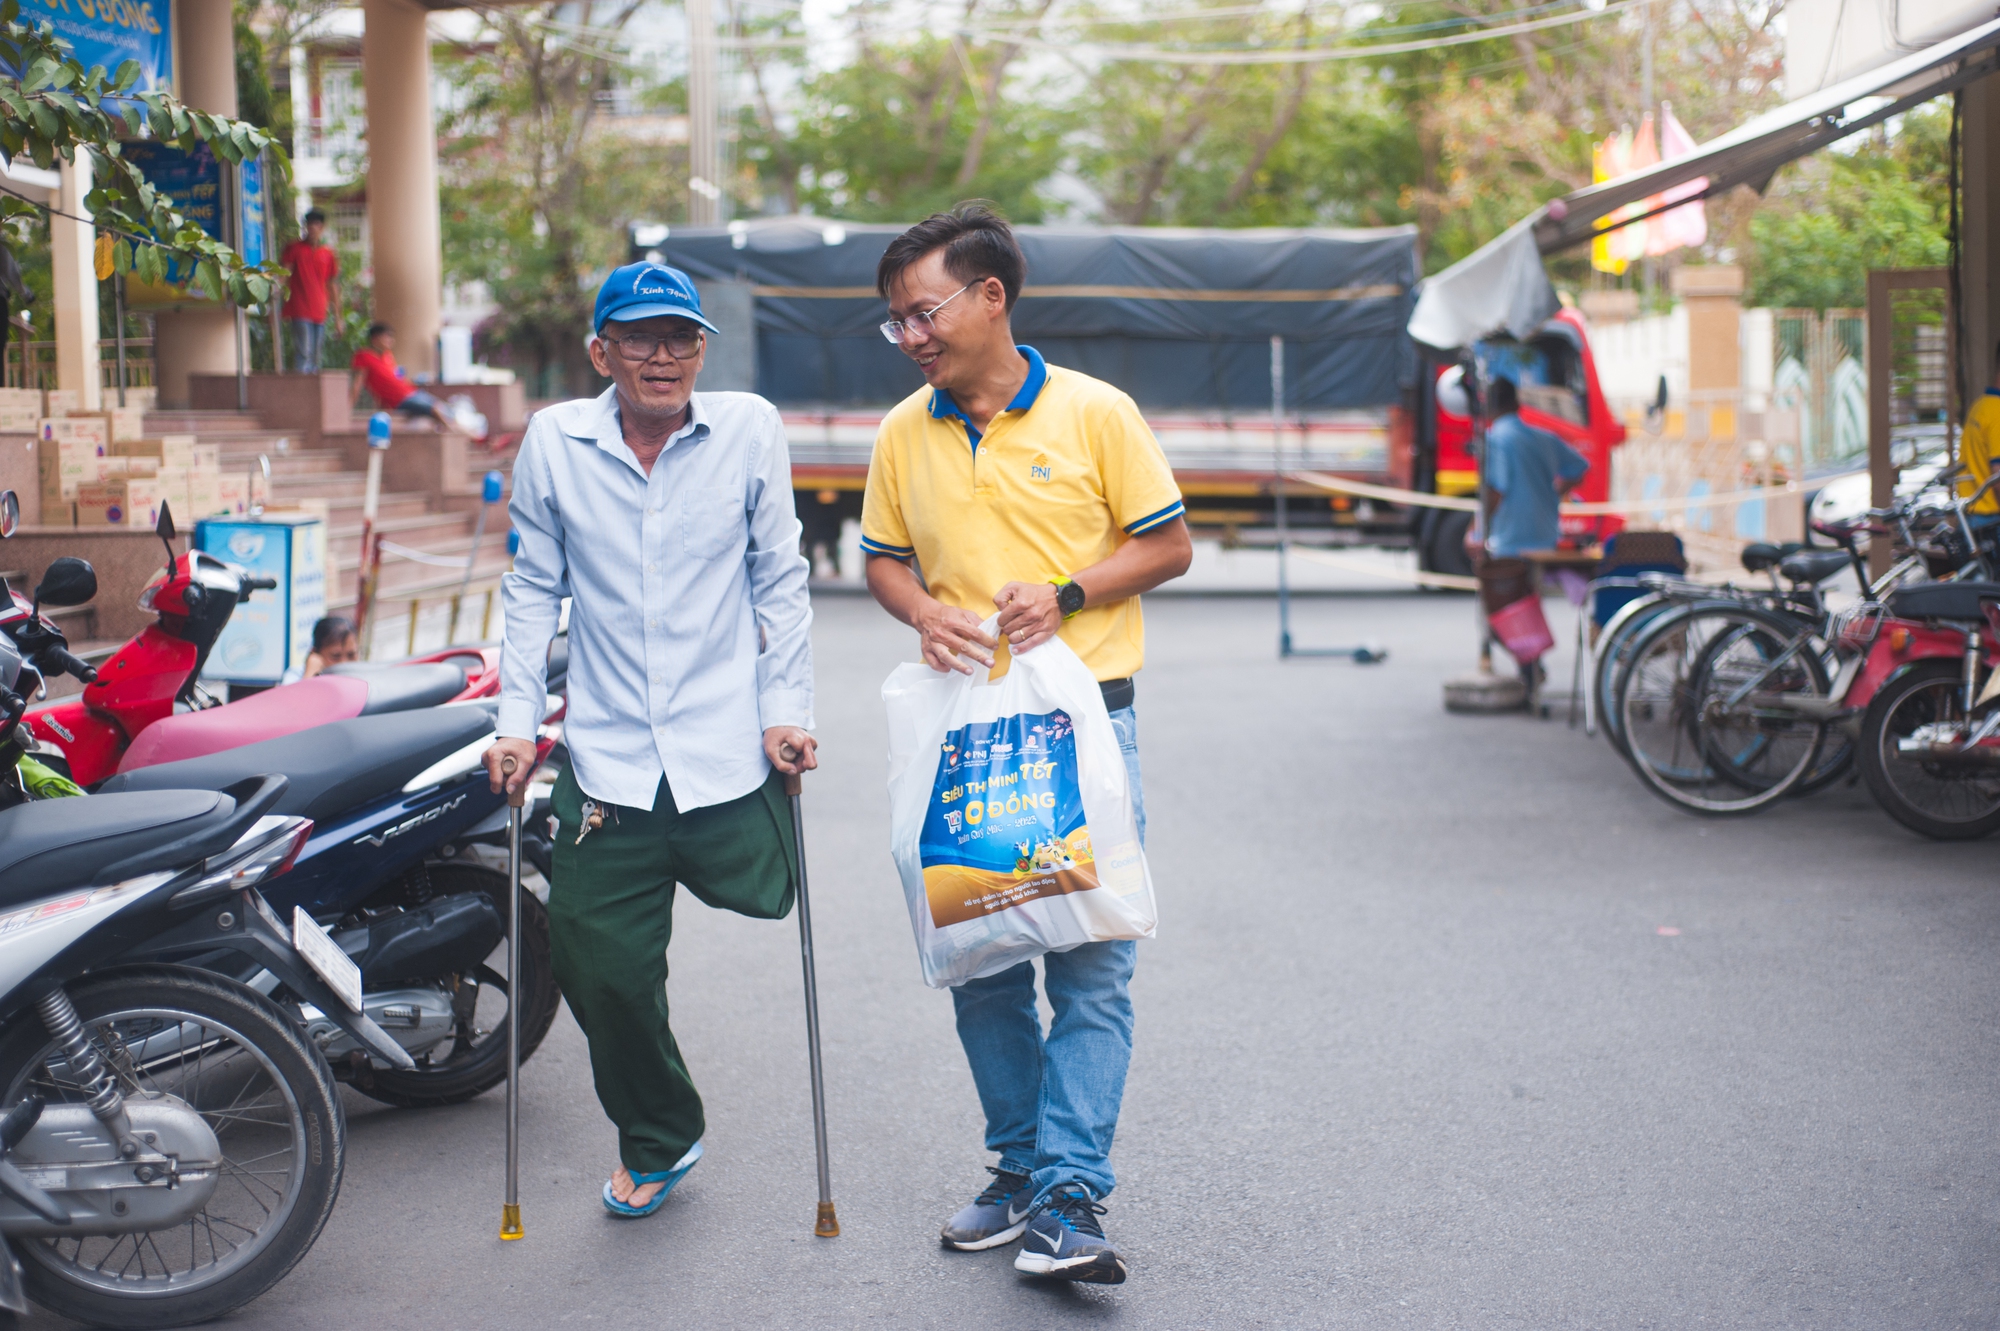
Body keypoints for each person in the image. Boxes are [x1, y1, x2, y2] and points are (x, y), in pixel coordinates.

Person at [859, 202, 1192, 1285]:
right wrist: (921, 611)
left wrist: (1066, 591)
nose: (909, 334)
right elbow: (883, 560)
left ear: (990, 296)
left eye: (924, 311)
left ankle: (1067, 1193)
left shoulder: (1096, 412)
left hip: (1085, 721)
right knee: (984, 963)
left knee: (1092, 962)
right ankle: (1016, 1168)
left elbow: (1168, 543)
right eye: (895, 320)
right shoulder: (902, 431)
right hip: (968, 733)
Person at [482, 261, 816, 1220]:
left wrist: (785, 711)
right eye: (639, 337)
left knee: (773, 890)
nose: (663, 356)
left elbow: (779, 581)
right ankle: (661, 1131)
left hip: (725, 746)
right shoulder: (554, 440)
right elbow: (532, 590)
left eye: (681, 337)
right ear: (602, 351)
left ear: (702, 349)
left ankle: (718, 855)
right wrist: (516, 726)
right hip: (610, 758)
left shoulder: (750, 429)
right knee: (594, 959)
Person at [1481, 377, 1588, 558]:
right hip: (1546, 537)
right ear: (1517, 404)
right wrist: (1554, 493)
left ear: (1488, 408)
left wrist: (1476, 530)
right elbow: (1579, 467)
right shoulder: (1546, 438)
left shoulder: (1495, 438)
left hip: (1509, 542)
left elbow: (1495, 491)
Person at [349, 323, 461, 434]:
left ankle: (467, 434)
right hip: (400, 400)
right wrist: (348, 408)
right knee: (434, 409)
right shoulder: (364, 356)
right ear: (375, 339)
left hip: (411, 392)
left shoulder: (387, 356)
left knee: (445, 409)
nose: (390, 340)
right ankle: (455, 434)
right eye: (386, 337)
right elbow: (358, 383)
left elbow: (392, 378)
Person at [281, 209, 339, 374]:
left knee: (315, 356)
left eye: (317, 225)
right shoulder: (294, 248)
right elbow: (285, 274)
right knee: (304, 352)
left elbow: (332, 284)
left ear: (322, 227)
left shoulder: (328, 253)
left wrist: (338, 317)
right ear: (305, 226)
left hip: (320, 310)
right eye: (310, 224)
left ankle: (311, 394)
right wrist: (274, 299)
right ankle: (300, 392)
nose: (313, 228)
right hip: (299, 308)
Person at [1957, 343, 2000, 536]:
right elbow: (1998, 476)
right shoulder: (1997, 413)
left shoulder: (1980, 406)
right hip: (1990, 520)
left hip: (1972, 516)